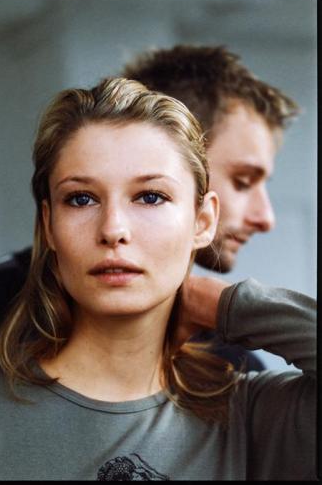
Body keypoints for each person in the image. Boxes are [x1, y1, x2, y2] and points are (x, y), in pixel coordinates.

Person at [0, 78, 315, 480]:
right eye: (81, 199)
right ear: (48, 225)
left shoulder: (252, 418)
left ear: (203, 221)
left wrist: (220, 302)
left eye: (150, 197)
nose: (113, 229)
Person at [122, 45, 300, 371]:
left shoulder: (229, 366)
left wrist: (228, 306)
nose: (266, 219)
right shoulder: (13, 320)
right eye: (243, 181)